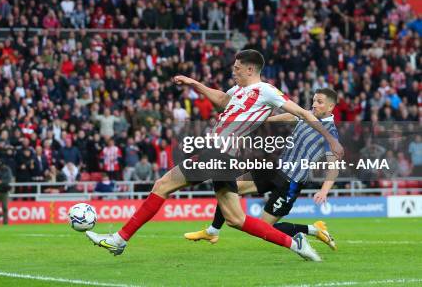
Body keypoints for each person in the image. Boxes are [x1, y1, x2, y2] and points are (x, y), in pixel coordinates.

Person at [86, 50, 344, 262]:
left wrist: (331, 139)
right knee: (235, 219)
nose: (234, 71)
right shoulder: (238, 91)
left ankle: (119, 240)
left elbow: (303, 113)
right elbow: (221, 99)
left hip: (219, 153)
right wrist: (195, 84)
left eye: (237, 67)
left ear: (250, 70)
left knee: (162, 185)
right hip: (223, 156)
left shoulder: (266, 91)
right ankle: (294, 244)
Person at [184, 88, 340, 250]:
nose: (314, 104)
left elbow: (333, 165)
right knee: (231, 186)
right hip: (274, 170)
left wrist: (324, 190)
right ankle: (213, 230)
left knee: (264, 228)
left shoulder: (331, 133)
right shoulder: (308, 115)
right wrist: (267, 120)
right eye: (314, 100)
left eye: (319, 102)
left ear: (330, 108)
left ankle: (313, 230)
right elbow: (292, 115)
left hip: (291, 181)